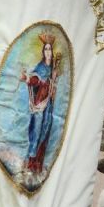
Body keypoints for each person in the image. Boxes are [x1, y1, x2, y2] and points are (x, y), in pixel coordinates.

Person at [19, 33, 59, 175]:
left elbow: (53, 85)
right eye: (46, 49)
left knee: (45, 133)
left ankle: (38, 165)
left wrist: (53, 79)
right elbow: (35, 79)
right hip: (40, 106)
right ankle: (30, 165)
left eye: (50, 49)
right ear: (43, 52)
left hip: (48, 107)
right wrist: (27, 78)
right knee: (36, 133)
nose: (48, 52)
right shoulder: (41, 67)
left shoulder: (53, 67)